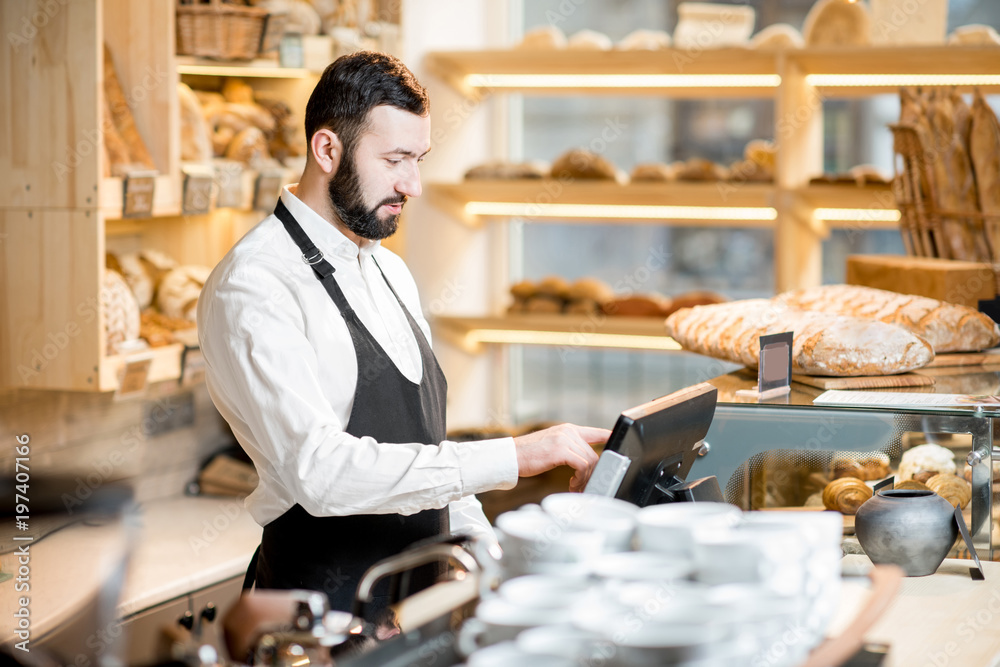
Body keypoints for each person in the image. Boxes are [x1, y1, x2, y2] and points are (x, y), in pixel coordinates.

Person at [197, 51, 609, 618]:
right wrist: (514, 455)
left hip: (416, 604)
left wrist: (490, 559)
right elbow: (320, 474)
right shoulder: (256, 285)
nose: (412, 184)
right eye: (395, 159)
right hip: (320, 617)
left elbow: (426, 456)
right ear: (327, 150)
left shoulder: (388, 270)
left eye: (418, 158)